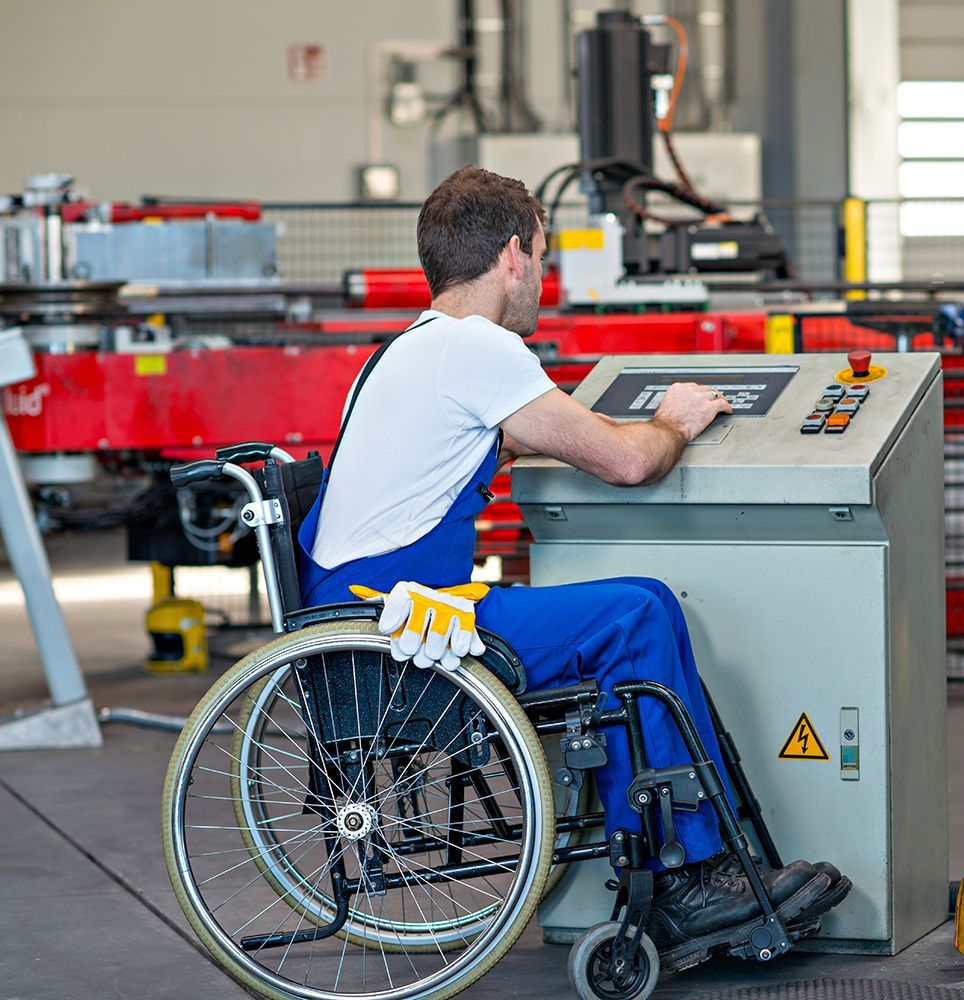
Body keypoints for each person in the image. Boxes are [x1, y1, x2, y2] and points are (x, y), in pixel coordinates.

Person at [295, 165, 848, 963]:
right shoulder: (479, 346)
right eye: (543, 261)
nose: (542, 281)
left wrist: (551, 430)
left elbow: (485, 438)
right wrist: (674, 420)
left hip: (361, 625)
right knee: (639, 611)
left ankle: (686, 856)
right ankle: (685, 873)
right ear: (514, 254)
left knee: (631, 606)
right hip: (402, 639)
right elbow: (629, 464)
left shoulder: (403, 352)